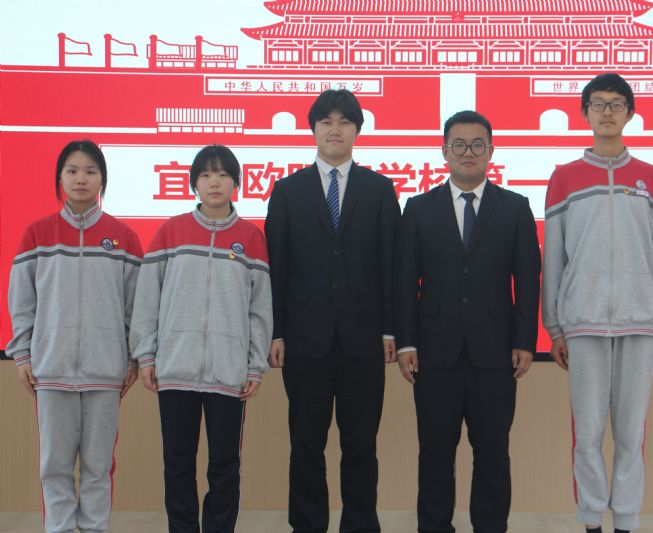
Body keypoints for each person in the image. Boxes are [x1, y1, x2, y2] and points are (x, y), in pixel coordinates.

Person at [394, 110, 541, 533]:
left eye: (478, 144)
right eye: (458, 144)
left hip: (495, 352)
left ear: (491, 151)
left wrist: (525, 340)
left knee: (492, 452)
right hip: (434, 351)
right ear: (444, 152)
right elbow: (404, 279)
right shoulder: (418, 208)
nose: (468, 152)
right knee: (435, 453)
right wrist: (406, 342)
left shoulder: (515, 208)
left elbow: (527, 279)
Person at [264, 89, 400, 533]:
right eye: (326, 121)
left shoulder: (380, 189)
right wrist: (276, 332)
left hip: (364, 341)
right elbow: (277, 268)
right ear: (314, 129)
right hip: (305, 341)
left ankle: (360, 525)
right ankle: (308, 526)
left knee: (361, 446)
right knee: (306, 445)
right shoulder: (287, 191)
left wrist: (390, 329)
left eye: (344, 121)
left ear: (357, 130)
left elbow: (391, 265)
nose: (335, 129)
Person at [541, 73, 653, 533]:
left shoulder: (651, 177)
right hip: (584, 321)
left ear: (630, 113)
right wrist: (555, 327)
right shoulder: (565, 177)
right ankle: (592, 519)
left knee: (632, 433)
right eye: (598, 104)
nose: (608, 112)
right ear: (585, 113)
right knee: (589, 431)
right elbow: (554, 256)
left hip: (640, 322)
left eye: (617, 104)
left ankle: (627, 521)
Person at [129, 144, 272, 533]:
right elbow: (147, 298)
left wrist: (254, 365)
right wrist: (146, 355)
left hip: (229, 372)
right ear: (194, 183)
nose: (214, 182)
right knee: (178, 463)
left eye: (223, 175)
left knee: (225, 466)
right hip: (176, 368)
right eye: (206, 175)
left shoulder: (250, 238)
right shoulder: (170, 231)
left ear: (236, 183)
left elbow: (260, 309)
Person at [6, 140, 143, 533]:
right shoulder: (37, 234)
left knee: (99, 466)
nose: (81, 178)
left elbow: (136, 306)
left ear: (102, 179)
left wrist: (133, 357)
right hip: (51, 370)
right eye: (72, 170)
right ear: (60, 178)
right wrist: (23, 355)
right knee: (55, 466)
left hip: (105, 371)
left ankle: (94, 528)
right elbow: (22, 302)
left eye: (90, 171)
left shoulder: (123, 237)